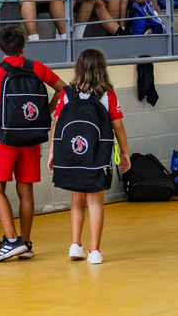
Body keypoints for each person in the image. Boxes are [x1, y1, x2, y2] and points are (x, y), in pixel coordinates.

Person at [0, 25, 66, 262]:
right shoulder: (35, 67)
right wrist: (44, 114)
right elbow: (64, 89)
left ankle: (11, 240)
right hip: (31, 137)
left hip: (4, 137)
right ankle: (25, 242)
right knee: (25, 190)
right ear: (24, 47)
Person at [48, 48, 130, 265]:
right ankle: (95, 250)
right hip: (97, 154)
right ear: (102, 69)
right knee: (95, 202)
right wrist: (124, 152)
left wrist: (52, 153)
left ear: (79, 68)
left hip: (72, 154)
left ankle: (75, 245)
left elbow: (58, 124)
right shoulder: (107, 94)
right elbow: (118, 126)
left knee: (77, 200)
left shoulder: (67, 93)